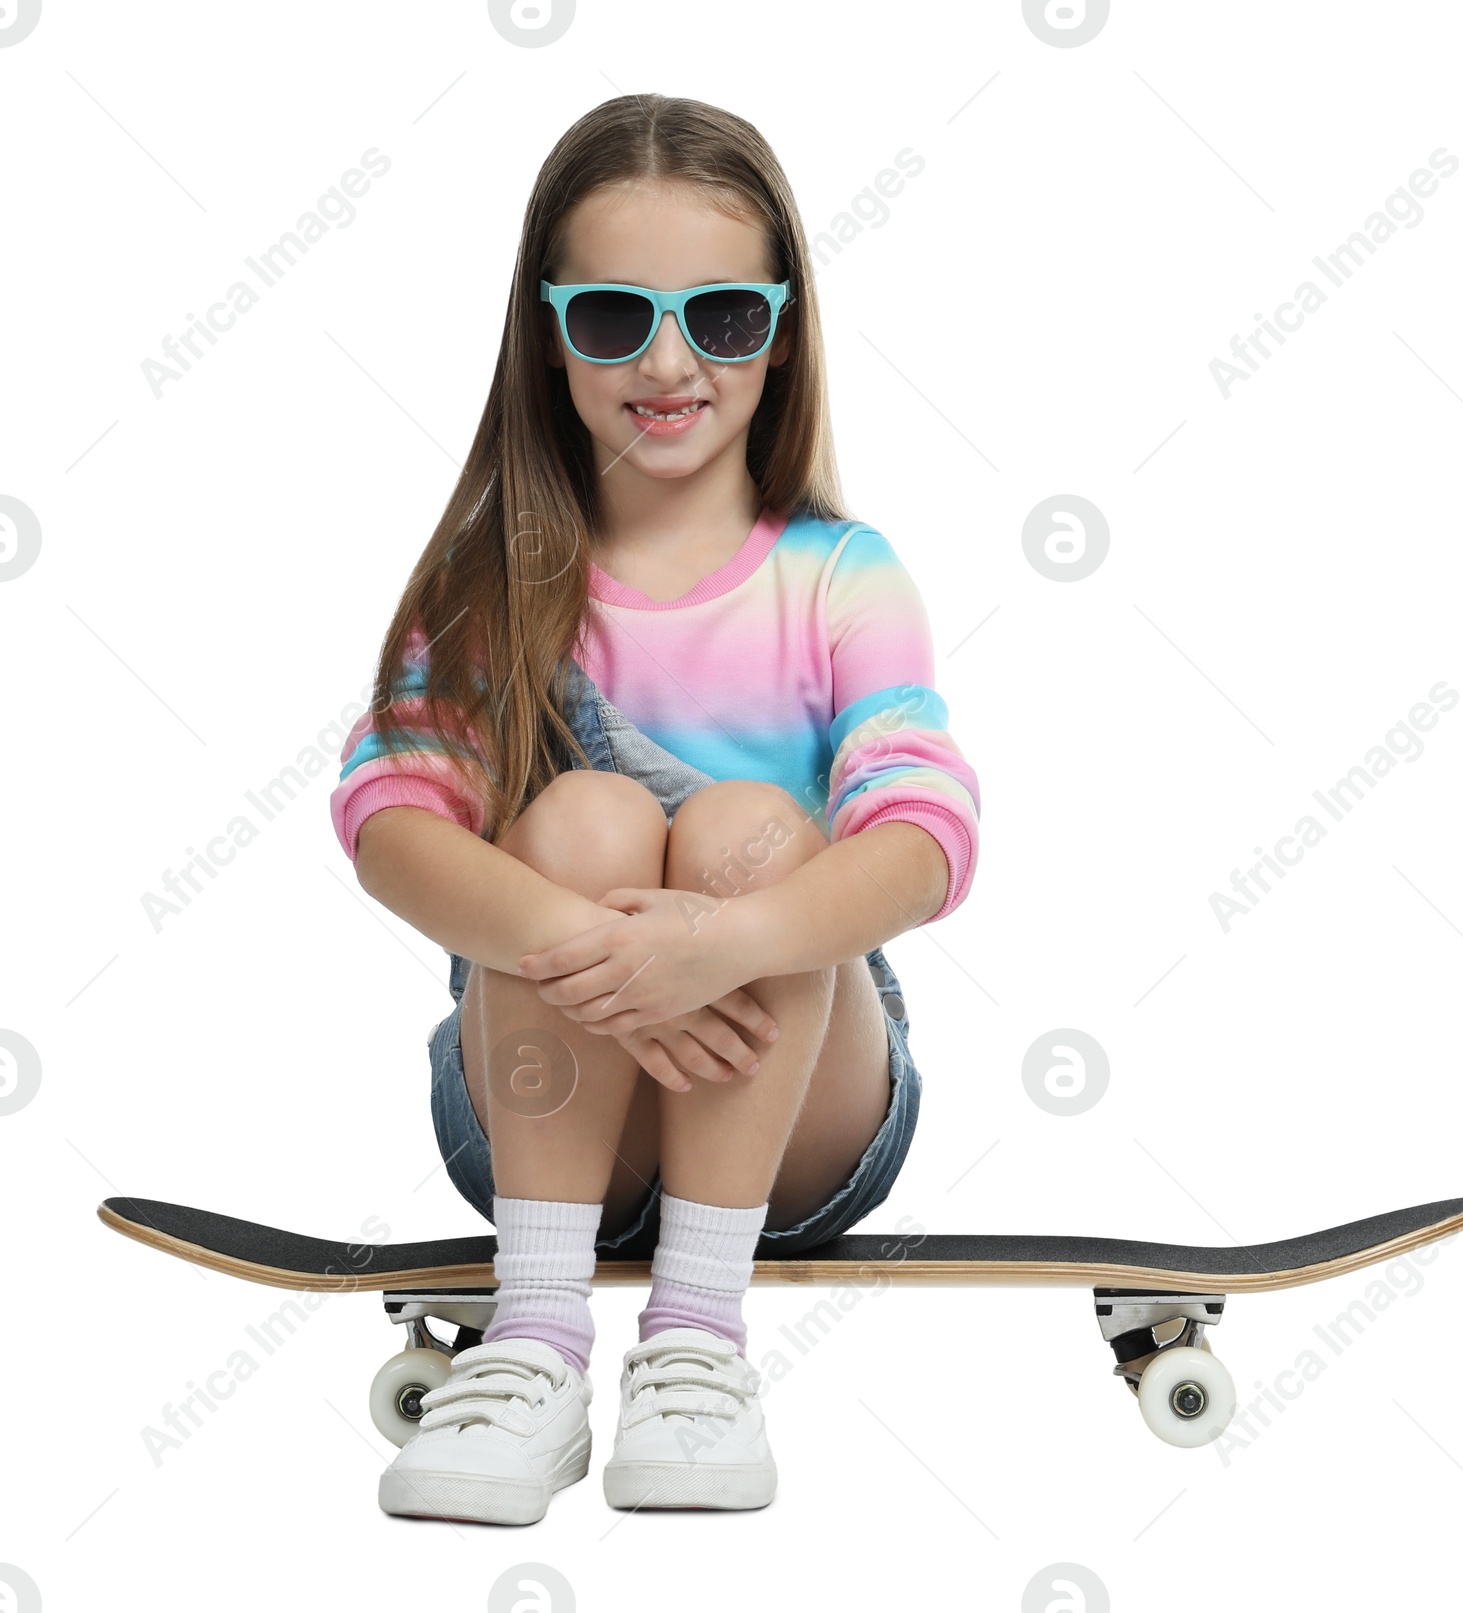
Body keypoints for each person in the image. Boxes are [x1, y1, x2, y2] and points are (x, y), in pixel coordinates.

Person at [329, 92, 980, 1526]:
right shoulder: (492, 584)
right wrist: (602, 946)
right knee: (579, 823)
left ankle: (696, 1338)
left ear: (783, 329)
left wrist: (724, 942)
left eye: (723, 318)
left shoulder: (839, 577)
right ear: (550, 331)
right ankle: (540, 1335)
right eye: (616, 318)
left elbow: (927, 844)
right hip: (547, 1101)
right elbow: (387, 822)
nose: (670, 361)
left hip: (794, 1102)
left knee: (756, 824)